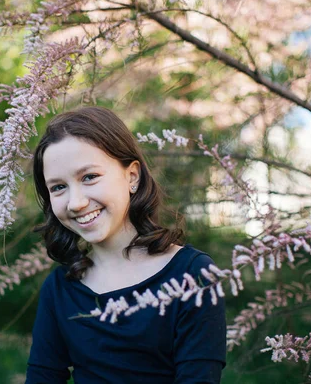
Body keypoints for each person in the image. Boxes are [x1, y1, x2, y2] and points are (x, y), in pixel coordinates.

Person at [26, 106, 226, 384]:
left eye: (89, 177)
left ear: (132, 176)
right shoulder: (60, 289)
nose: (76, 202)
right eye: (58, 187)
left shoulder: (193, 276)